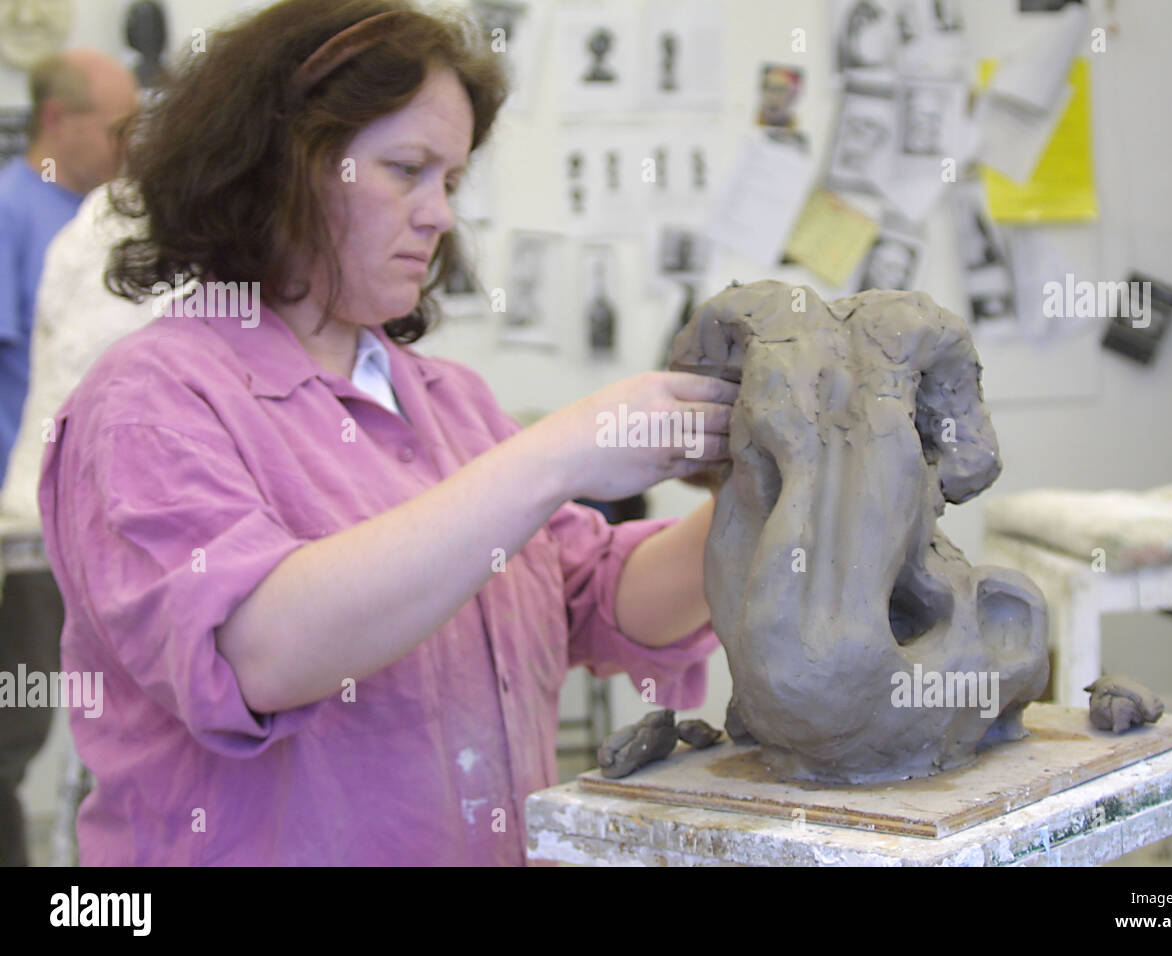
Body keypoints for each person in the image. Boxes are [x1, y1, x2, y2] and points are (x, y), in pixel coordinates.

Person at [38, 0, 734, 866]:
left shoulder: (448, 402)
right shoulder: (150, 403)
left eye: (450, 180)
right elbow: (260, 652)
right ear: (282, 165)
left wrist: (766, 500)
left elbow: (591, 600)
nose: (441, 215)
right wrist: (563, 450)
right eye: (408, 169)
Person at [0, 48, 136, 868]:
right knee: (15, 734)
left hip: (87, 527)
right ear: (58, 121)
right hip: (27, 527)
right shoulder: (16, 212)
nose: (127, 147)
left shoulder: (102, 221)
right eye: (116, 128)